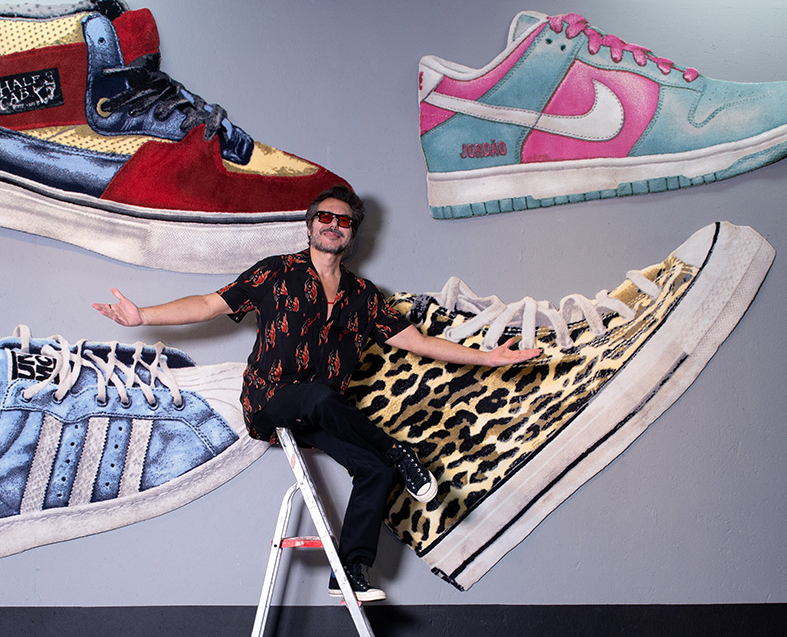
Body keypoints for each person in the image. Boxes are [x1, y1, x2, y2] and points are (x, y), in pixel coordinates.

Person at [93, 185, 540, 601]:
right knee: (323, 400)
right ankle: (399, 452)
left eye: (343, 221)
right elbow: (210, 304)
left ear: (351, 234)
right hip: (269, 400)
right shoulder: (276, 272)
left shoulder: (364, 296)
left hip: (320, 413)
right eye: (325, 217)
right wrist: (142, 316)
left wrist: (488, 358)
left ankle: (350, 572)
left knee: (374, 470)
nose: (333, 225)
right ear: (310, 226)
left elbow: (419, 343)